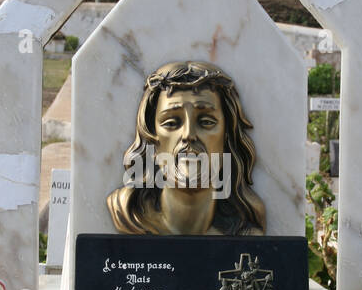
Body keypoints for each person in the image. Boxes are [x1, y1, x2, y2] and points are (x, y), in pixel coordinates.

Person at [107, 60, 265, 236]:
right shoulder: (129, 214)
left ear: (227, 136)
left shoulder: (245, 232)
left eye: (206, 122)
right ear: (152, 137)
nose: (188, 134)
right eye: (171, 123)